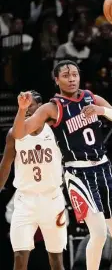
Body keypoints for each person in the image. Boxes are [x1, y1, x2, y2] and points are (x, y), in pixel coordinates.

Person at [12, 60, 112, 270]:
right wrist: (22, 110)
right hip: (78, 172)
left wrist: (102, 111)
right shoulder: (52, 107)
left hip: (104, 168)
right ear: (56, 79)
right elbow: (19, 133)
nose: (71, 79)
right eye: (66, 75)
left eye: (74, 74)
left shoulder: (91, 98)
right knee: (98, 232)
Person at [0, 90, 66, 270]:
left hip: (52, 199)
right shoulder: (14, 134)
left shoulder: (56, 131)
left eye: (32, 105)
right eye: (24, 106)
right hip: (24, 200)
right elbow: (5, 166)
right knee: (20, 256)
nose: (28, 109)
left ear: (41, 108)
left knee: (56, 259)